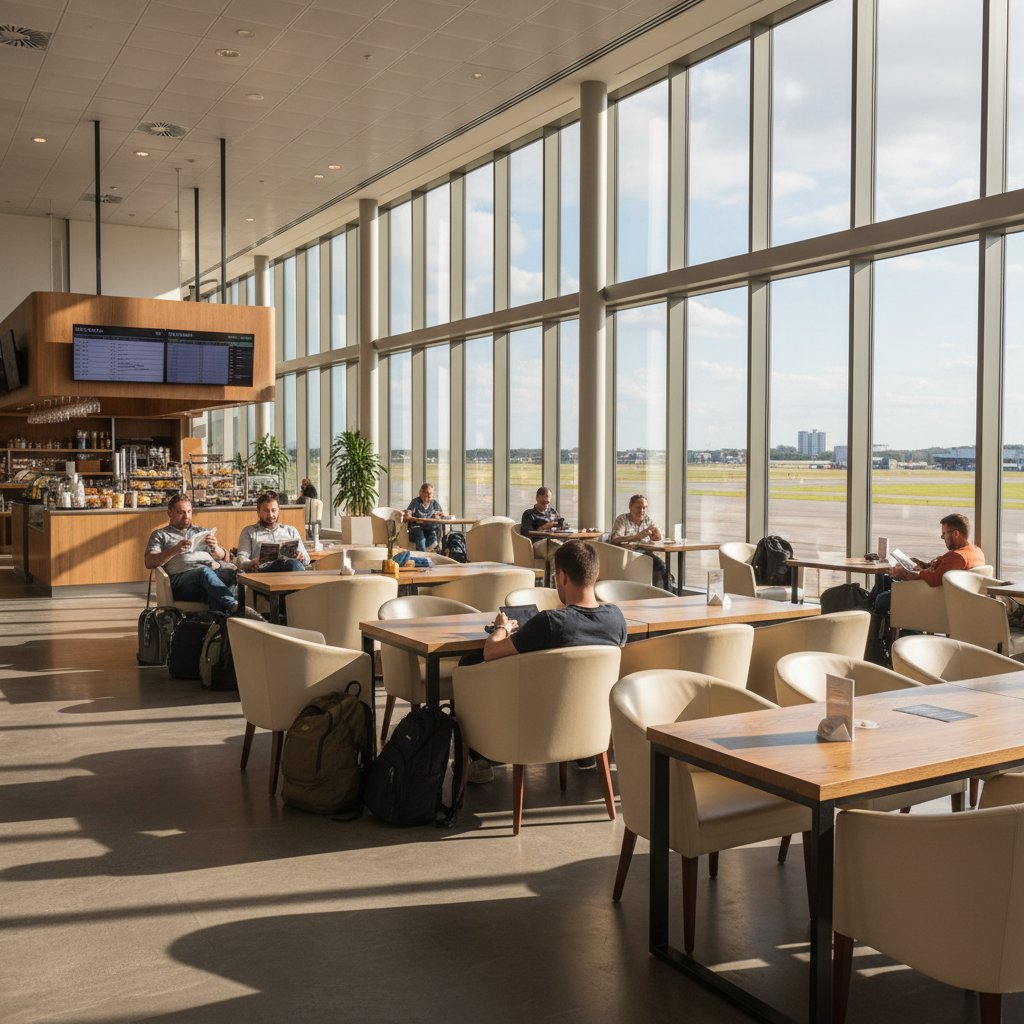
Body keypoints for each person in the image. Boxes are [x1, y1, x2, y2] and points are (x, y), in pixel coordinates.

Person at [470, 540, 628, 783]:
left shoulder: (550, 622)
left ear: (562, 578)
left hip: (532, 719)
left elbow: (490, 652)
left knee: (469, 662)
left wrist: (501, 628)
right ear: (595, 575)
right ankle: (583, 753)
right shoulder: (616, 618)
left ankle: (481, 761)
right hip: (590, 721)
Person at [145, 493, 254, 616]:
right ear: (169, 513)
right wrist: (174, 550)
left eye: (189, 511)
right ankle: (236, 607)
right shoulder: (160, 535)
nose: (186, 516)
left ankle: (219, 625)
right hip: (182, 580)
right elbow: (149, 562)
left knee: (238, 575)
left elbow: (226, 557)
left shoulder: (201, 531)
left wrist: (216, 547)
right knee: (204, 572)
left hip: (211, 575)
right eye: (181, 512)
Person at [871, 512, 986, 617]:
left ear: (956, 533)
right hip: (942, 596)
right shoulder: (975, 551)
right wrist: (922, 565)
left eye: (944, 534)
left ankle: (873, 626)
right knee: (885, 581)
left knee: (881, 599)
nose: (943, 538)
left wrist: (905, 574)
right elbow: (941, 572)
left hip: (931, 599)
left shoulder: (958, 557)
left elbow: (935, 579)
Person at [236, 491, 310, 572]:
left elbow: (307, 559)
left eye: (273, 510)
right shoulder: (249, 531)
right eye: (265, 511)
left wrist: (301, 557)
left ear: (279, 510)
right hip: (262, 573)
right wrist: (250, 563)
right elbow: (240, 560)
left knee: (294, 564)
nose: (270, 515)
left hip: (289, 571)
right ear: (258, 511)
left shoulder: (291, 531)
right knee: (293, 565)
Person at [609, 493, 671, 590]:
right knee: (660, 565)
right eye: (638, 507)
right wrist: (637, 537)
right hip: (627, 555)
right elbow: (615, 539)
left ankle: (667, 592)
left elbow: (659, 538)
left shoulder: (647, 520)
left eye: (644, 508)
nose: (642, 511)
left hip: (645, 554)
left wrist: (657, 535)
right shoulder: (622, 519)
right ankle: (667, 592)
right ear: (630, 507)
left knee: (663, 567)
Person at [520, 486, 564, 557]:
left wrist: (560, 527)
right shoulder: (529, 514)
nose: (545, 505)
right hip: (538, 542)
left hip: (555, 540)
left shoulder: (553, 512)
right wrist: (543, 527)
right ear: (537, 498)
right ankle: (555, 568)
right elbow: (526, 533)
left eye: (548, 502)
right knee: (554, 548)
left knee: (572, 547)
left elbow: (562, 528)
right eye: (543, 503)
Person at [403, 482, 444, 551]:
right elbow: (408, 515)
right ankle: (422, 556)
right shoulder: (415, 502)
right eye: (427, 492)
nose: (429, 495)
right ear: (421, 492)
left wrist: (439, 516)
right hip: (416, 528)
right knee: (420, 535)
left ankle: (424, 553)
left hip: (429, 529)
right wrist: (414, 518)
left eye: (431, 493)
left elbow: (441, 515)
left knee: (433, 536)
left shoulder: (434, 503)